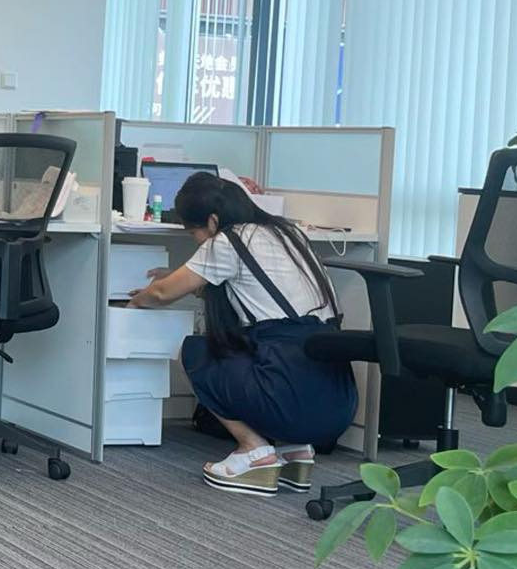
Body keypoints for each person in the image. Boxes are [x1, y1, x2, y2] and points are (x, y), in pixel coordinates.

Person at [127, 172, 357, 497]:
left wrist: (134, 301)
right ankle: (295, 451)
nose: (196, 240)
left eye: (193, 232)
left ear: (213, 220)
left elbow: (162, 294)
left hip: (288, 396)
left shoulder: (228, 242)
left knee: (196, 351)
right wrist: (183, 276)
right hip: (337, 404)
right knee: (254, 345)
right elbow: (252, 292)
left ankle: (254, 450)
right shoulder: (288, 233)